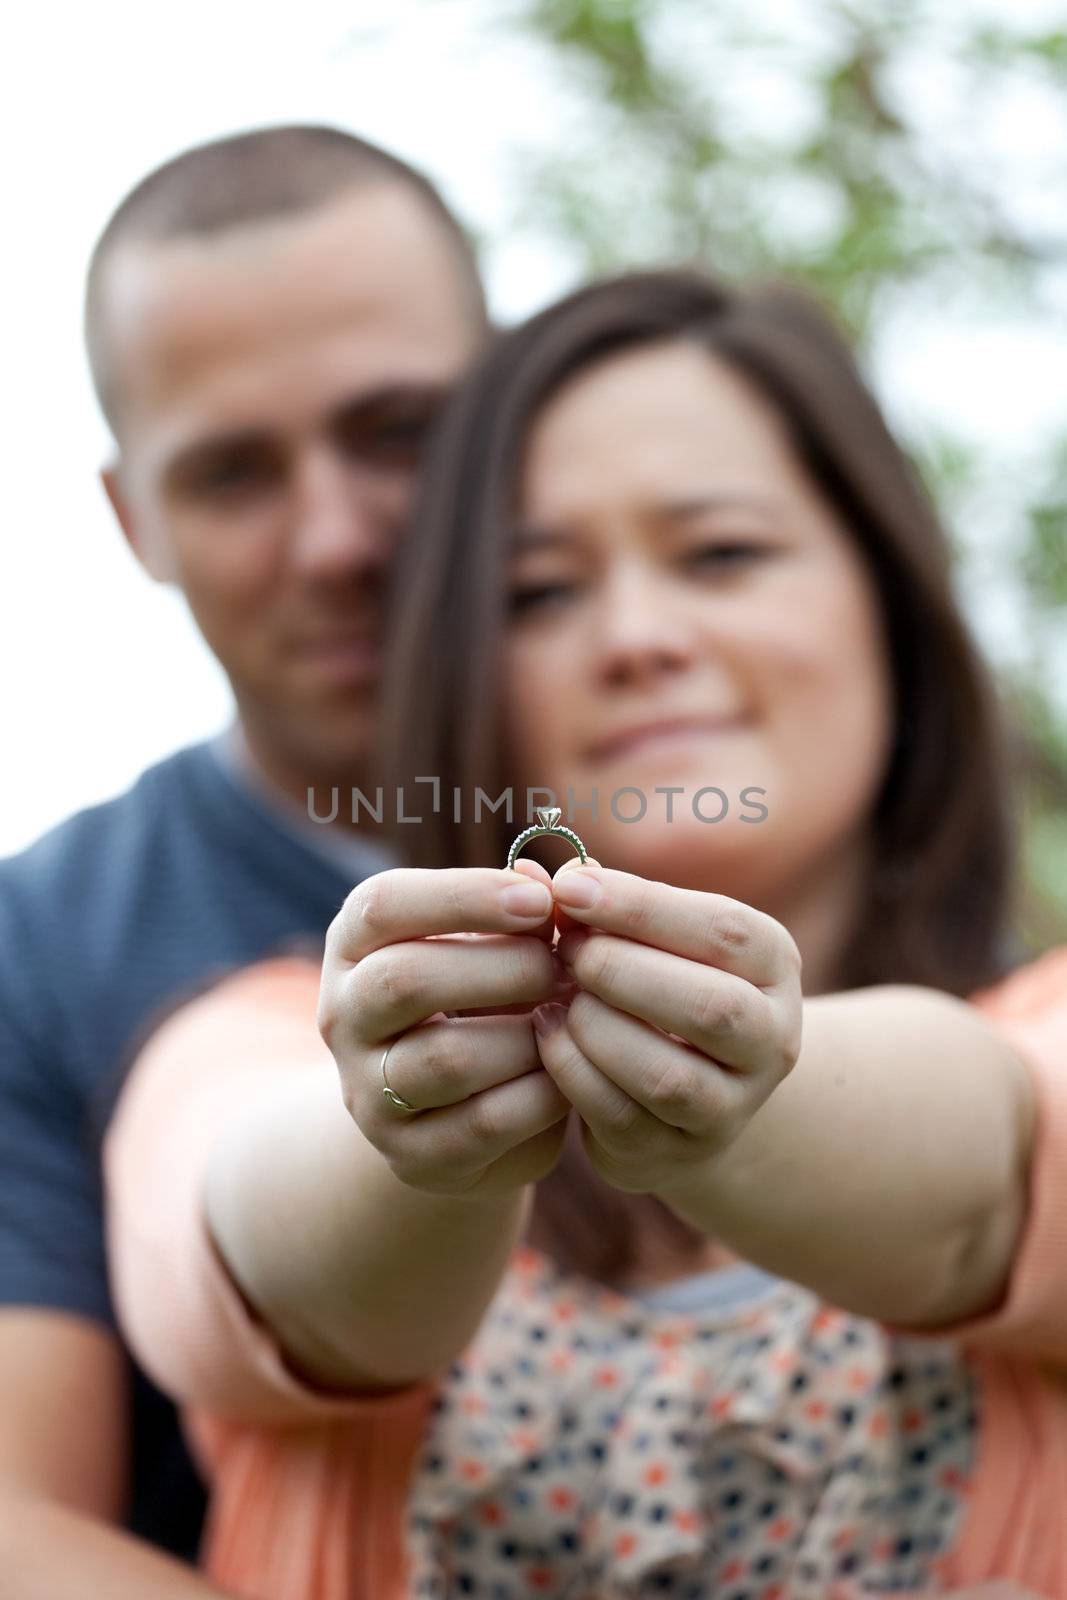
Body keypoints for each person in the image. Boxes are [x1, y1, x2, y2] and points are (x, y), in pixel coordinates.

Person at [104, 271, 1067, 1599]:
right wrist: (414, 1117)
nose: (636, 639)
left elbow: (1002, 1161)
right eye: (540, 592)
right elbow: (262, 1255)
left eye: (723, 554)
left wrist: (738, 1089)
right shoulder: (255, 1040)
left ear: (889, 606)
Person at [0, 123, 489, 1594]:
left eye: (396, 431)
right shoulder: (45, 941)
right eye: (231, 475)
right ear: (131, 519)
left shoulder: (737, 797)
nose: (335, 537)